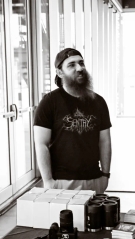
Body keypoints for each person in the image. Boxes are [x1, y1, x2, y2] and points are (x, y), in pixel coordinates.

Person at [33, 48, 112, 193]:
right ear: (59, 72)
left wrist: (105, 175)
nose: (80, 68)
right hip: (61, 181)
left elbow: (105, 141)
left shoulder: (98, 102)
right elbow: (41, 144)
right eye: (72, 65)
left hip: (94, 179)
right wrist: (48, 181)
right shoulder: (49, 102)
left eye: (81, 63)